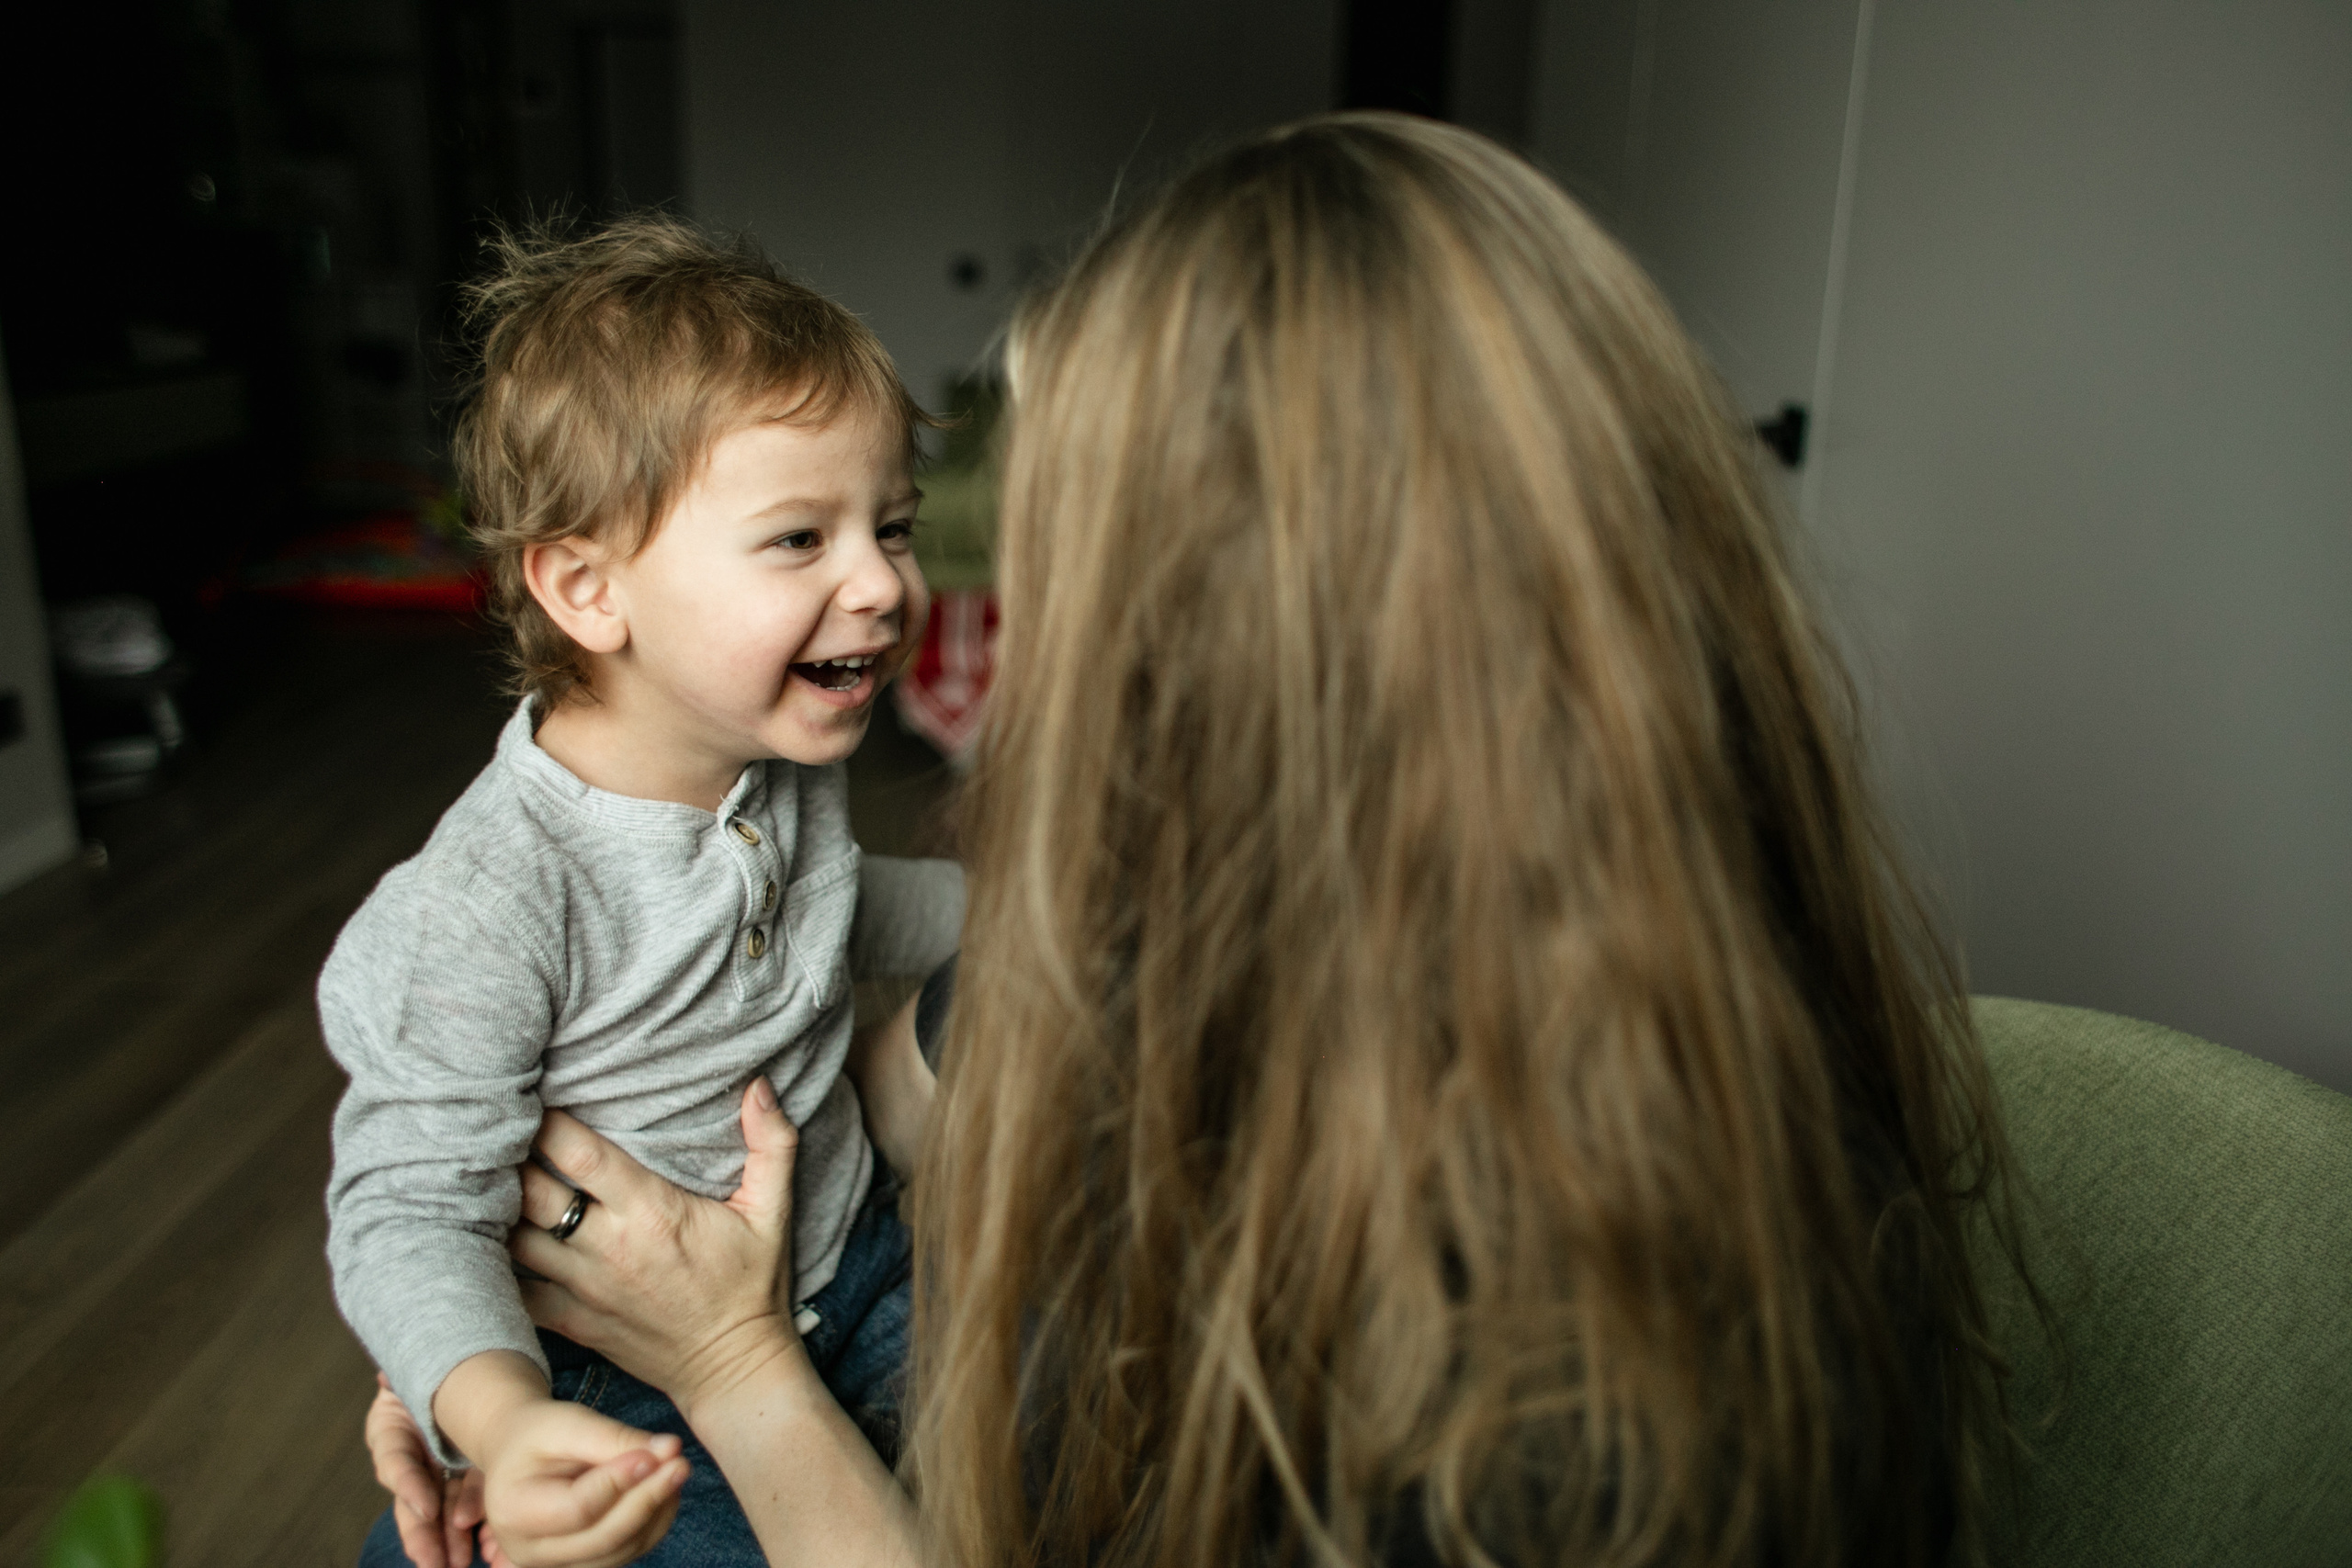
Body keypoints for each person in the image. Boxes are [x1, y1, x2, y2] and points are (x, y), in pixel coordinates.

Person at [367, 114, 2031, 1568]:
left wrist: (727, 1366)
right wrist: (496, 1350)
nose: (904, 590)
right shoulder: (1164, 941)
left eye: (1040, 542)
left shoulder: (1552, 1425)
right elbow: (867, 1068)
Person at [322, 217, 964, 1568]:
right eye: (799, 539)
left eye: (891, 526)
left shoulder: (771, 762)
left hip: (856, 1273)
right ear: (586, 589)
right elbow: (405, 1206)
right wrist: (500, 1424)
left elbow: (842, 911)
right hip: (624, 1392)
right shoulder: (499, 896)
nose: (880, 583)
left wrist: (1024, 917)